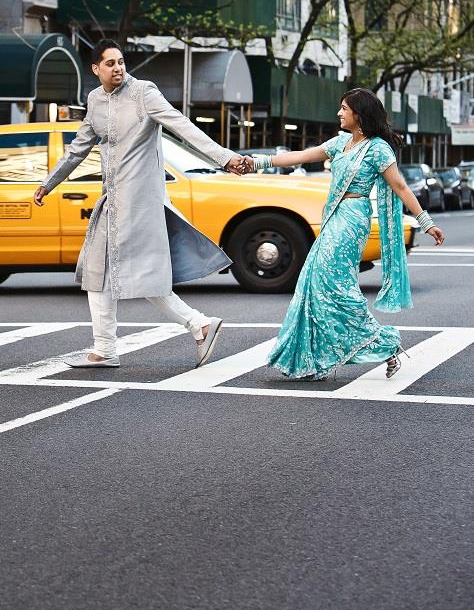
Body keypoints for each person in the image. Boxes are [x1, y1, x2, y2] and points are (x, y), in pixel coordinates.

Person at [34, 39, 246, 369]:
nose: (118, 68)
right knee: (97, 270)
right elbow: (78, 148)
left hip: (140, 200)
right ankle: (106, 348)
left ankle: (197, 324)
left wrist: (226, 158)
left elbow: (181, 125)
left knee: (143, 273)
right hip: (112, 199)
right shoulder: (94, 100)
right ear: (96, 69)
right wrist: (49, 183)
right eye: (110, 63)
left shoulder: (143, 92)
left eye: (121, 62)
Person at [244, 88, 445, 381]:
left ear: (359, 114)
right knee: (315, 283)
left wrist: (426, 223)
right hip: (334, 216)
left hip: (352, 218)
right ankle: (318, 358)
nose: (339, 113)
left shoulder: (378, 149)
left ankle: (384, 343)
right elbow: (299, 155)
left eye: (343, 109)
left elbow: (400, 187)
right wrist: (257, 163)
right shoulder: (341, 143)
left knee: (336, 286)